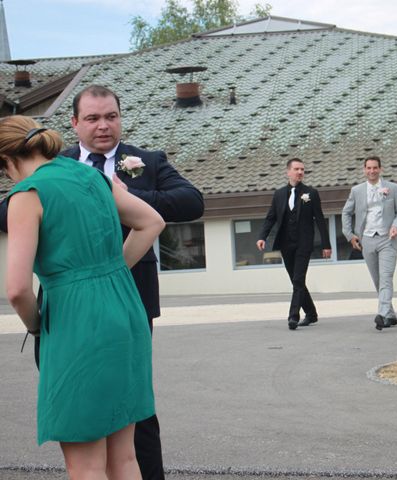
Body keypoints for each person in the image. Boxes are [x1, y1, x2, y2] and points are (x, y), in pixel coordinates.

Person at [0, 84, 205, 480]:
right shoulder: (94, 177)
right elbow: (153, 222)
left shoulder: (27, 194)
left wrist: (35, 324)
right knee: (124, 457)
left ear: (8, 161)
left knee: (85, 464)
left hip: (76, 321)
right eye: (93, 118)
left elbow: (17, 289)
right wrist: (112, 272)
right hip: (124, 310)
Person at [256, 158, 331, 330]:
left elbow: (320, 220)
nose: (300, 172)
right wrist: (262, 237)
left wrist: (327, 245)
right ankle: (311, 313)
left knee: (298, 279)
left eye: (302, 169)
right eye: (296, 169)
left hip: (304, 243)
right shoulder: (279, 194)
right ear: (288, 172)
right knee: (296, 281)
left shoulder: (311, 193)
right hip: (285, 243)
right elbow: (271, 218)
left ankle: (293, 316)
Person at [341, 156, 397, 331]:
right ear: (364, 170)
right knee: (378, 280)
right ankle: (390, 315)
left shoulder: (393, 188)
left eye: (375, 168)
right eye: (368, 168)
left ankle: (382, 314)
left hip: (388, 239)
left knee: (386, 278)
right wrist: (349, 235)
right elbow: (346, 213)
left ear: (380, 169)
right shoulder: (357, 190)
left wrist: (396, 225)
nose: (372, 171)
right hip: (367, 240)